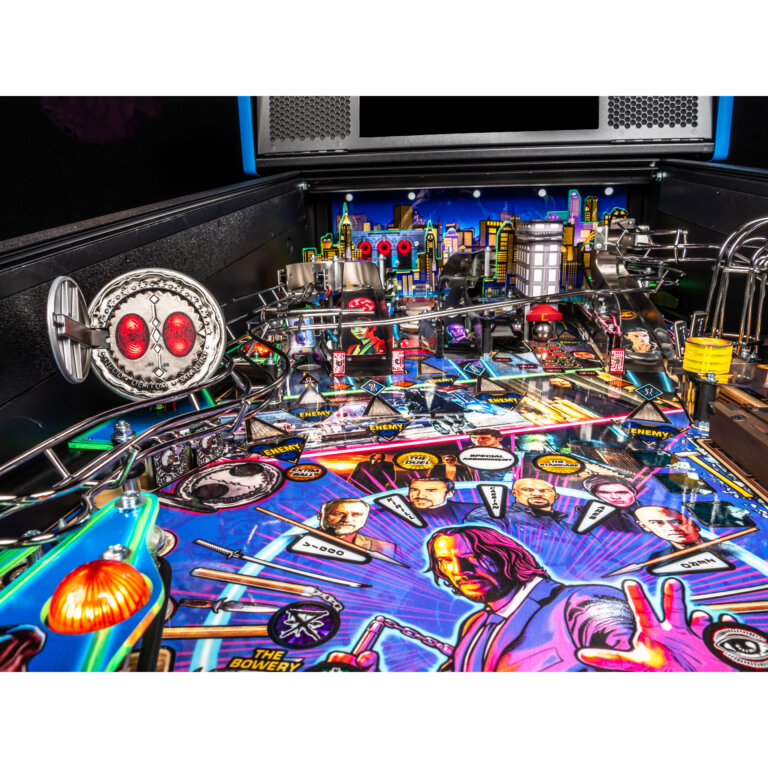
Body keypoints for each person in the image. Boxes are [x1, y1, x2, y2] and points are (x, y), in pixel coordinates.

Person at [326, 525, 734, 672]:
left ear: (508, 556)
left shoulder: (579, 601)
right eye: (447, 563)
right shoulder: (475, 625)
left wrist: (676, 674)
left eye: (474, 555)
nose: (461, 568)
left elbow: (619, 636)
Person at [466, 477, 567, 533]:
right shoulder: (491, 513)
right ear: (514, 493)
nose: (537, 494)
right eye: (527, 490)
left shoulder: (563, 525)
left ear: (556, 496)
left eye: (544, 491)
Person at [316, 498, 396, 558]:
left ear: (365, 517)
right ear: (320, 515)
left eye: (356, 515)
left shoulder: (385, 548)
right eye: (338, 514)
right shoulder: (307, 538)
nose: (347, 520)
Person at [632, 505, 709, 558]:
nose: (672, 528)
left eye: (677, 522)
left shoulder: (716, 546)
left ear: (694, 523)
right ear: (644, 526)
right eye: (657, 523)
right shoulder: (657, 558)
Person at [405, 478, 480, 527]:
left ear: (449, 494)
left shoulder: (472, 510)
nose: (420, 495)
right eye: (414, 490)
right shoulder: (399, 510)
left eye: (430, 491)